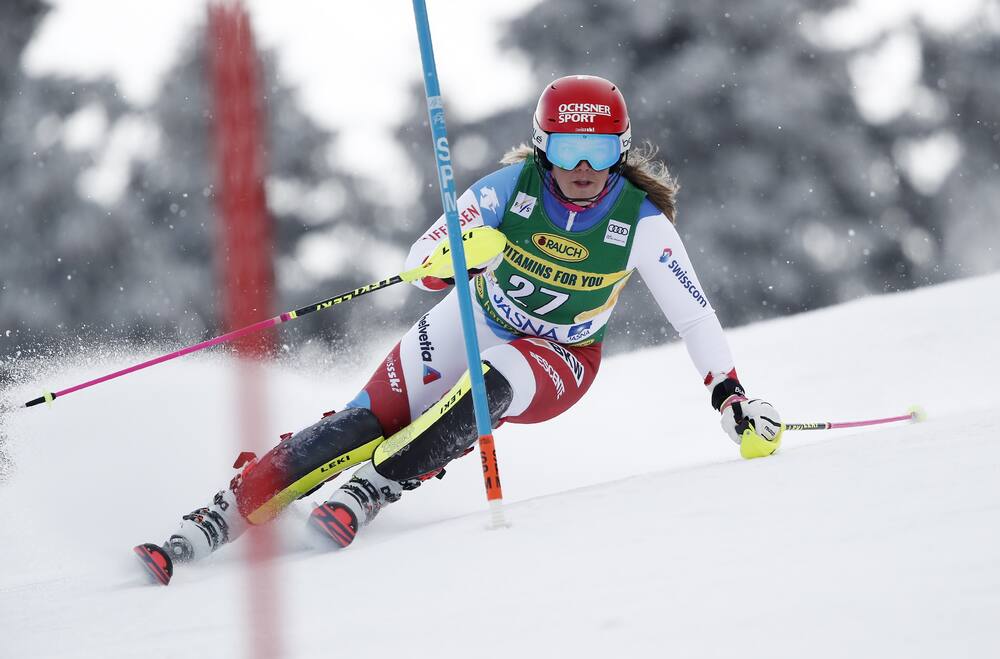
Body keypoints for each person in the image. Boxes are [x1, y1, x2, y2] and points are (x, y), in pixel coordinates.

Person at [134, 74, 783, 585]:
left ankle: (374, 487)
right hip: (476, 317)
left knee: (494, 380)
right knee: (365, 421)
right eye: (567, 148)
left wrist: (729, 395)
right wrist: (455, 259)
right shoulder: (509, 189)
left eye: (601, 149)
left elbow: (693, 313)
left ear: (621, 151)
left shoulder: (641, 223)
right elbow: (422, 261)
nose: (584, 166)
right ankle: (223, 512)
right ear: (542, 146)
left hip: (560, 355)